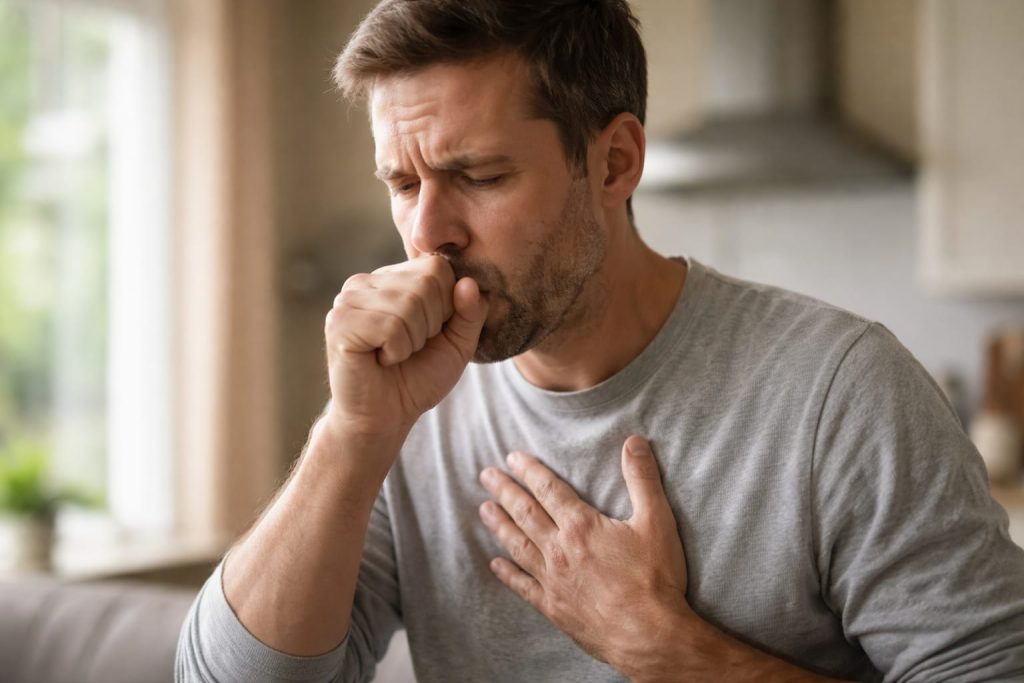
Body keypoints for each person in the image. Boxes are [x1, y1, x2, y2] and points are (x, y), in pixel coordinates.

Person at [176, 1, 1024, 681]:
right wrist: (351, 435)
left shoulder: (843, 392)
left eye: (479, 176)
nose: (427, 233)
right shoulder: (403, 411)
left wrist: (677, 653)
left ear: (615, 162)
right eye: (403, 183)